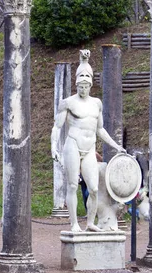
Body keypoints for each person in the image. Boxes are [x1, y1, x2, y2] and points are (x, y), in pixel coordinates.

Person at [51, 50, 125, 232]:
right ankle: (74, 223)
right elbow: (57, 127)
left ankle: (90, 222)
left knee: (93, 188)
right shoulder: (68, 103)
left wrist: (116, 146)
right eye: (80, 84)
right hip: (73, 145)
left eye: (86, 84)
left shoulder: (96, 103)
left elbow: (100, 129)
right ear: (77, 83)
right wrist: (54, 147)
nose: (83, 88)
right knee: (72, 185)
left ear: (91, 84)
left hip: (90, 148)